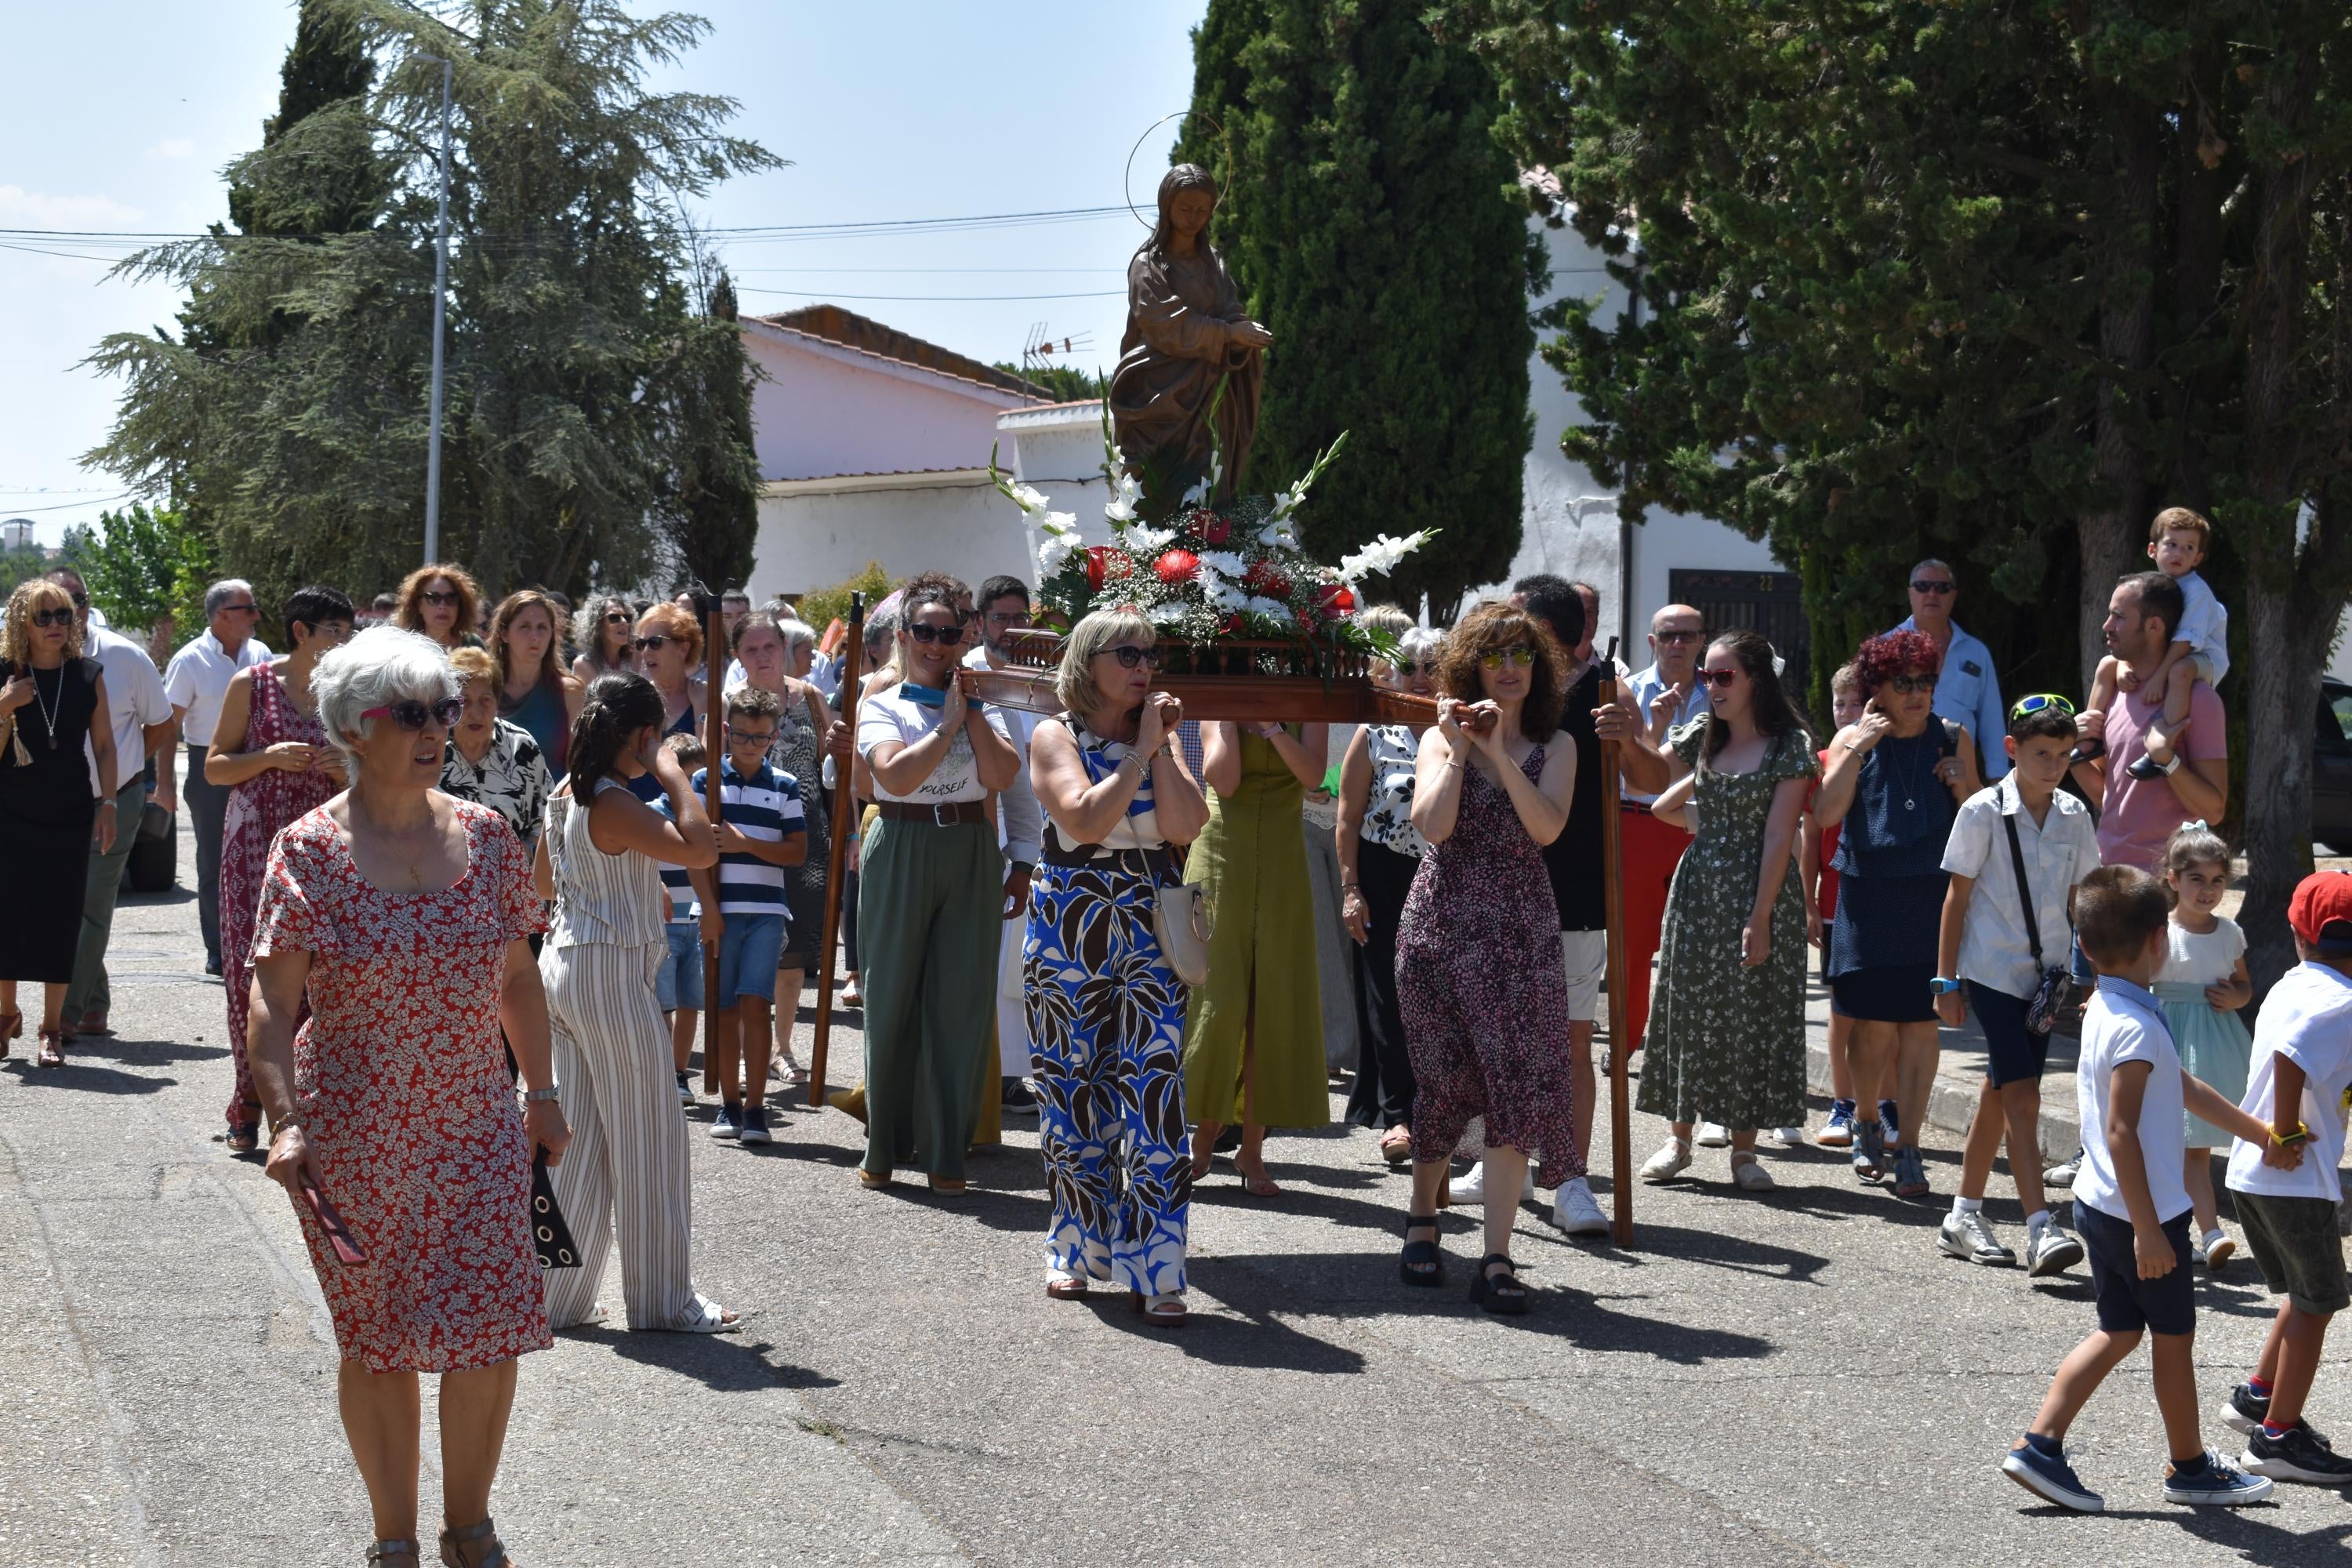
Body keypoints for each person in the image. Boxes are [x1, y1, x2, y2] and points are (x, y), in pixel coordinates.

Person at [243, 626, 566, 1568]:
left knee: (487, 1326)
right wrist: (284, 1120)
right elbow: (272, 1006)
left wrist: (540, 1090)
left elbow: (517, 977)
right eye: (412, 713)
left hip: (475, 1122)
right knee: (379, 1338)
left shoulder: (491, 838)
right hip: (354, 1135)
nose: (440, 727)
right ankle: (394, 1540)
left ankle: (469, 1528)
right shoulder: (308, 851)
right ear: (353, 725)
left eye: (445, 708)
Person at [1998, 866, 2281, 1513]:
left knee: (2119, 1331)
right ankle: (2189, 1468)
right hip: (2140, 1219)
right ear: (2161, 940)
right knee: (2173, 1342)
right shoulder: (2136, 1027)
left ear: (2087, 946)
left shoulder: (2111, 1007)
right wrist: (2153, 1229)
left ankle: (2040, 1444)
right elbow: (2123, 1130)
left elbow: (2181, 1085)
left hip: (2101, 1206)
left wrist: (2256, 1131)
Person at [533, 671, 738, 1334]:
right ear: (645, 735)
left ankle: (557, 1297)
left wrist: (616, 883)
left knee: (581, 1142)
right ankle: (661, 1303)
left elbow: (543, 879)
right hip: (610, 974)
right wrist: (675, 774)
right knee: (649, 1139)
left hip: (560, 968)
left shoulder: (565, 795)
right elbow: (701, 847)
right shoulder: (614, 800)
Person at [1391, 601, 1579, 1315]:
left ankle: (1496, 1255)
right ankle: (1423, 1216)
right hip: (1440, 930)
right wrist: (1463, 747)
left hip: (1519, 935)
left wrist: (1502, 751)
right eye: (1496, 655)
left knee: (1514, 1088)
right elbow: (1433, 827)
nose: (1509, 668)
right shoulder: (1441, 741)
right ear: (1472, 664)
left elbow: (1545, 830)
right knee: (1443, 1083)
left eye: (1522, 655)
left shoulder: (1556, 745)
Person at [1025, 609, 1210, 1323]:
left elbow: (1186, 826)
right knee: (1073, 1092)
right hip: (1070, 924)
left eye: (1149, 654)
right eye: (1126, 652)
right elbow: (1084, 820)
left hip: (1146, 922)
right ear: (1087, 661)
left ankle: (1160, 1269)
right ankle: (1076, 1250)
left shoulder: (1159, 737)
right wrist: (1139, 748)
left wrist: (1158, 750)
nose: (1143, 665)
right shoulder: (1055, 735)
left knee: (1154, 1093)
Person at [1599, 627, 1813, 1191]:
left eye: (1723, 676)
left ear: (1755, 680)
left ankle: (1745, 1151)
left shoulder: (1789, 744)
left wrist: (1760, 916)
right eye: (1706, 676)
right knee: (1688, 1007)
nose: (1711, 686)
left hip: (1761, 889)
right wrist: (1639, 731)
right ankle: (1678, 1140)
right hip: (1699, 887)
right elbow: (1647, 778)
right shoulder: (1703, 733)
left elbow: (1777, 835)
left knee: (1752, 1012)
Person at [848, 585, 1019, 1191]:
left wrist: (968, 714)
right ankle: (884, 1146)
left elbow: (1003, 774)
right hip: (902, 842)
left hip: (969, 847)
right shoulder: (883, 701)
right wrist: (947, 729)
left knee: (962, 1003)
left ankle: (947, 1153)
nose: (938, 645)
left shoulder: (980, 703)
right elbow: (892, 775)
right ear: (903, 637)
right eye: (925, 632)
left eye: (951, 634)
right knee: (891, 996)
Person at [1931, 695, 2098, 1276]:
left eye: (2063, 754)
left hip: (2045, 983)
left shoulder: (2075, 816)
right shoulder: (1982, 810)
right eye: (2041, 753)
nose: (2053, 765)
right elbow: (1957, 898)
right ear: (2012, 750)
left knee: (1998, 1093)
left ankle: (1962, 1214)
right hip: (1992, 974)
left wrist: (2094, 974)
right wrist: (1945, 980)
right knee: (2024, 1098)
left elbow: (2084, 901)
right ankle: (2040, 1227)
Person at [1813, 628, 1980, 1199]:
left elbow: (1980, 822)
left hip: (1930, 898)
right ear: (1876, 687)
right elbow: (1826, 810)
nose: (1917, 693)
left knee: (1919, 1028)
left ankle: (1908, 1144)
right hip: (1868, 895)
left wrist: (1961, 787)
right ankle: (1864, 1120)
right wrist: (1857, 748)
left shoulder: (1953, 736)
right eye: (1903, 682)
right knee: (1874, 1026)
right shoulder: (1852, 737)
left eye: (1925, 681)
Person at [209, 586, 356, 1149]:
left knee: (322, 974)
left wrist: (344, 770)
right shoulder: (253, 683)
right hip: (253, 851)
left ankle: (305, 1104)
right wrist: (268, 757)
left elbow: (369, 770)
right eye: (333, 630)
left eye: (347, 631)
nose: (343, 641)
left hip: (325, 850)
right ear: (301, 632)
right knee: (251, 974)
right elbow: (216, 767)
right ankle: (248, 1099)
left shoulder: (344, 693)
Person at [2219, 870, 2352, 1485]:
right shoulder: (2345, 1002)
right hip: (2293, 1174)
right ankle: (2277, 1439)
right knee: (2320, 1302)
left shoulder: (2293, 984)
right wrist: (2290, 1131)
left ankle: (2258, 1400)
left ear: (2299, 936)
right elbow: (2294, 1053)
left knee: (2302, 1295)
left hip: (2251, 1172)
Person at [1184, 711, 1331, 1197]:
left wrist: (1272, 728)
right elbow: (1223, 781)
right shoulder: (1220, 703)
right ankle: (1203, 1138)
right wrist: (1232, 716)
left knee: (1268, 1001)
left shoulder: (1308, 700)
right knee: (1219, 998)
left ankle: (1252, 1150)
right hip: (1223, 849)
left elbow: (1313, 776)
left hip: (1283, 855)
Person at [50, 567, 174, 1042]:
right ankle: (95, 1005)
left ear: (88, 603)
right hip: (54, 803)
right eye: (52, 608)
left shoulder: (124, 656)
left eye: (75, 601)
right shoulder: (32, 659)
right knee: (69, 903)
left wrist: (122, 769)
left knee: (92, 906)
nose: (66, 614)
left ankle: (65, 1014)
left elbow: (162, 723)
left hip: (116, 799)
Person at [0, 578, 119, 1067]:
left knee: (60, 917)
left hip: (69, 814)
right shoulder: (4, 674)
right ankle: (5, 1015)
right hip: (8, 813)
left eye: (63, 615)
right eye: (43, 617)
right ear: (21, 624)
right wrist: (6, 705)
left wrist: (109, 803)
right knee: (6, 916)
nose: (55, 625)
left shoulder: (88, 674)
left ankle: (52, 1028)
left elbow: (106, 746)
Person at [1337, 619, 1438, 1163]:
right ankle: (1399, 1115)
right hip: (1383, 871)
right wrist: (1351, 888)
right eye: (1409, 668)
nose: (1420, 678)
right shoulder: (1373, 731)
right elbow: (1347, 818)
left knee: (1442, 999)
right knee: (1389, 996)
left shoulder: (1464, 731)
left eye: (1431, 668)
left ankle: (1444, 1111)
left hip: (1446, 874)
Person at [728, 612, 837, 1087]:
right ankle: (741, 1048)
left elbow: (832, 767)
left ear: (783, 646)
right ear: (738, 656)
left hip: (806, 835)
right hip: (745, 838)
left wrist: (848, 834)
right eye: (751, 649)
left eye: (769, 646)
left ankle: (782, 1046)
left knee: (796, 953)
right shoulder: (729, 706)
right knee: (746, 943)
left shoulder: (809, 697)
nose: (762, 656)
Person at [696, 684, 806, 1145]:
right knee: (722, 1012)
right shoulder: (705, 783)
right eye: (741, 736)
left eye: (760, 738)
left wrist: (745, 845)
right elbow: (696, 853)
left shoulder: (785, 786)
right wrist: (707, 908)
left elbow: (796, 853)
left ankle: (757, 1108)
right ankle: (729, 1102)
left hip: (765, 913)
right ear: (726, 732)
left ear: (774, 737)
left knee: (755, 1006)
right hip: (722, 912)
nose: (749, 746)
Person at [2148, 821, 2254, 1271]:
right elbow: (2134, 977)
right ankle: (2166, 1230)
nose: (2208, 890)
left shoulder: (2228, 933)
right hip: (2166, 1037)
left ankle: (2210, 1233)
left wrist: (2237, 996)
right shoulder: (2158, 931)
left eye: (2217, 880)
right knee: (2160, 1142)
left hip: (2213, 1042)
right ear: (2172, 880)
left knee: (2195, 1146)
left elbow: (2244, 984)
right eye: (2197, 879)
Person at [965, 574, 1046, 1110]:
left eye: (1021, 618)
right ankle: (978, 1072)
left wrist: (1027, 854)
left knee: (1016, 965)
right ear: (980, 622)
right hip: (972, 837)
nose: (1012, 629)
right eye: (1001, 618)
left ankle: (1010, 1072)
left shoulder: (1042, 679)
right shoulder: (967, 673)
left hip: (1030, 837)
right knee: (981, 966)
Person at [164, 578, 273, 974]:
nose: (257, 615)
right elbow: (167, 726)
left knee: (261, 857)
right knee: (214, 861)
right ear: (224, 616)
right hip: (206, 766)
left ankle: (259, 945)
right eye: (249, 608)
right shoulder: (189, 660)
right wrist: (164, 784)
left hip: (259, 763)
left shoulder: (261, 653)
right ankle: (219, 950)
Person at [1617, 603, 1709, 1061]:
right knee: (1633, 946)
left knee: (1697, 946)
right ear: (1652, 642)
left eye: (1688, 636)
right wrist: (1652, 727)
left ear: (1701, 642)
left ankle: (1684, 1050)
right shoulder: (1628, 693)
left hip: (1701, 828)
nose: (1678, 644)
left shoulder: (1723, 693)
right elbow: (1631, 775)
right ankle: (1625, 1039)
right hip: (1638, 826)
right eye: (1669, 636)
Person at [2084, 509, 2229, 780]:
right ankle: (2090, 739)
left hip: (2204, 658)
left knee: (2180, 672)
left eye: (2188, 548)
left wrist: (2158, 677)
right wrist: (2123, 666)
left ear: (2198, 558)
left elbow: (2185, 642)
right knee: (2108, 664)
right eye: (2171, 545)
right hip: (2171, 654)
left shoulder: (2196, 592)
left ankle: (2161, 747)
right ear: (2153, 549)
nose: (2179, 553)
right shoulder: (2154, 586)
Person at [1803, 663, 1866, 1146]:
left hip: (1880, 899)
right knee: (1843, 1011)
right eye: (1839, 703)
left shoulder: (1885, 756)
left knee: (1880, 1016)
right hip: (1834, 904)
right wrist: (1808, 900)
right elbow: (1811, 838)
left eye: (1857, 703)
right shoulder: (1823, 759)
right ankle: (1842, 1107)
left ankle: (1878, 1106)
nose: (1847, 713)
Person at [1893, 558, 2009, 779]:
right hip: (1901, 771)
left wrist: (1998, 780)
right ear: (1910, 593)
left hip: (1959, 776)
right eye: (1923, 586)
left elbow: (1991, 720)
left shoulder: (1976, 652)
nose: (1932, 594)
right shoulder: (1886, 648)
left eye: (1942, 588)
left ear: (1953, 595)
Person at [439, 647, 553, 858]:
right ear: (450, 706)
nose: (476, 712)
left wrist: (526, 850)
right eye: (465, 702)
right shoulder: (431, 748)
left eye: (485, 700)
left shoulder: (522, 746)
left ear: (497, 702)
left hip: (513, 880)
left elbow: (549, 817)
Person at [649, 732, 708, 1108]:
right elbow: (637, 861)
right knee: (662, 1005)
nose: (695, 786)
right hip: (666, 924)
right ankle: (661, 1073)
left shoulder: (706, 814)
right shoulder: (649, 813)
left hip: (699, 923)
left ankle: (679, 1071)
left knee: (690, 1003)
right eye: (688, 778)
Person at [488, 590, 584, 782]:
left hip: (550, 807)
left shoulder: (570, 691)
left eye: (542, 628)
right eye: (525, 627)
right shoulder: (486, 688)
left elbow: (576, 768)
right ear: (504, 633)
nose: (535, 636)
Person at [626, 601, 706, 803]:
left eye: (655, 642)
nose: (646, 652)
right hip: (635, 815)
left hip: (687, 817)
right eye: (641, 644)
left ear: (683, 648)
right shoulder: (633, 698)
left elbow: (708, 770)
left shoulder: (706, 698)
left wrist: (701, 710)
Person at [390, 564, 484, 653]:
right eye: (433, 598)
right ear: (418, 605)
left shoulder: (472, 644)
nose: (442, 606)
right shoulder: (404, 648)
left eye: (451, 598)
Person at [569, 595, 638, 684]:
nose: (624, 622)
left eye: (627, 617)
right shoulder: (583, 664)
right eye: (614, 617)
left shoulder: (634, 660)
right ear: (598, 625)